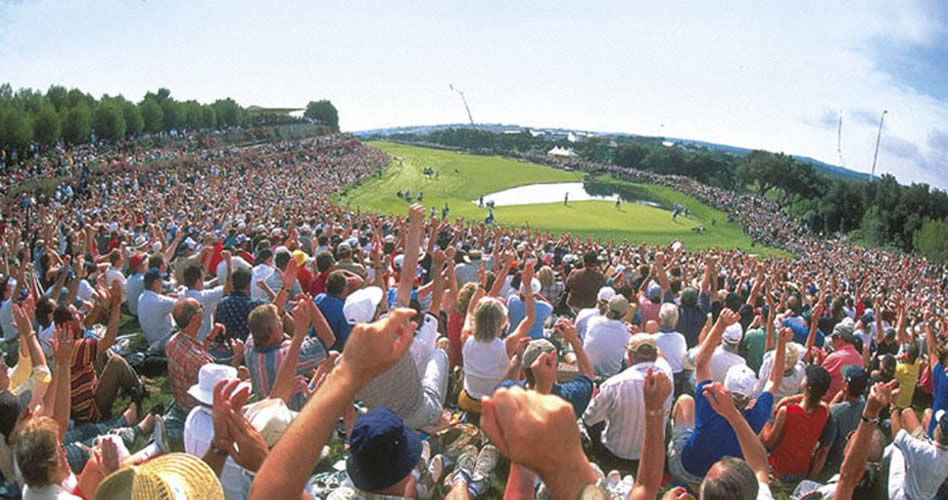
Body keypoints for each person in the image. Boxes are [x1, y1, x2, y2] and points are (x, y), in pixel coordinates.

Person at [667, 310, 789, 486]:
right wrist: (782, 344)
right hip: (716, 479)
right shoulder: (757, 415)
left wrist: (720, 325)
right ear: (750, 395)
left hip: (685, 467)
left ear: (725, 385)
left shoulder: (709, 399)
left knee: (685, 400)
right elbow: (774, 381)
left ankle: (668, 444)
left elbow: (701, 363)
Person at [582, 333, 673, 467]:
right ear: (655, 355)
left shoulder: (615, 384)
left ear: (629, 357)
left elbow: (589, 419)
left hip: (615, 454)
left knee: (592, 417)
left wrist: (592, 399)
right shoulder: (668, 375)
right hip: (652, 454)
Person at [462, 260, 535, 403]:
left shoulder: (466, 337)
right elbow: (530, 318)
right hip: (495, 402)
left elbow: (470, 311)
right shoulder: (507, 345)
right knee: (520, 369)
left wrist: (482, 285)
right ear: (502, 323)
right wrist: (527, 286)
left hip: (469, 398)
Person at [761, 364, 831, 481]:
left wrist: (763, 420)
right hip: (801, 471)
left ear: (806, 385)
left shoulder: (787, 412)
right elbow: (814, 400)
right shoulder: (825, 411)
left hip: (778, 471)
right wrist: (788, 399)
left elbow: (768, 443)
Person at [583, 295, 632, 378]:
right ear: (625, 313)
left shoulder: (593, 321)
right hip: (612, 372)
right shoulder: (625, 331)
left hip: (587, 367)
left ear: (607, 307)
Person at [820, 318, 864, 403]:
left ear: (839, 338)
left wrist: (818, 360)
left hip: (827, 404)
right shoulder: (859, 357)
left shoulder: (834, 357)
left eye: (833, 338)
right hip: (850, 404)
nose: (832, 341)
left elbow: (817, 380)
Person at [136, 268, 177, 353]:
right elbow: (184, 304)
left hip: (152, 340)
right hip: (164, 341)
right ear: (155, 283)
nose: (162, 283)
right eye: (161, 280)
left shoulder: (142, 297)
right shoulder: (159, 301)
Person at [652, 303, 688, 395]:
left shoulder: (653, 339)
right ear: (676, 321)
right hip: (678, 376)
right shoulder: (681, 337)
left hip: (660, 376)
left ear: (659, 320)